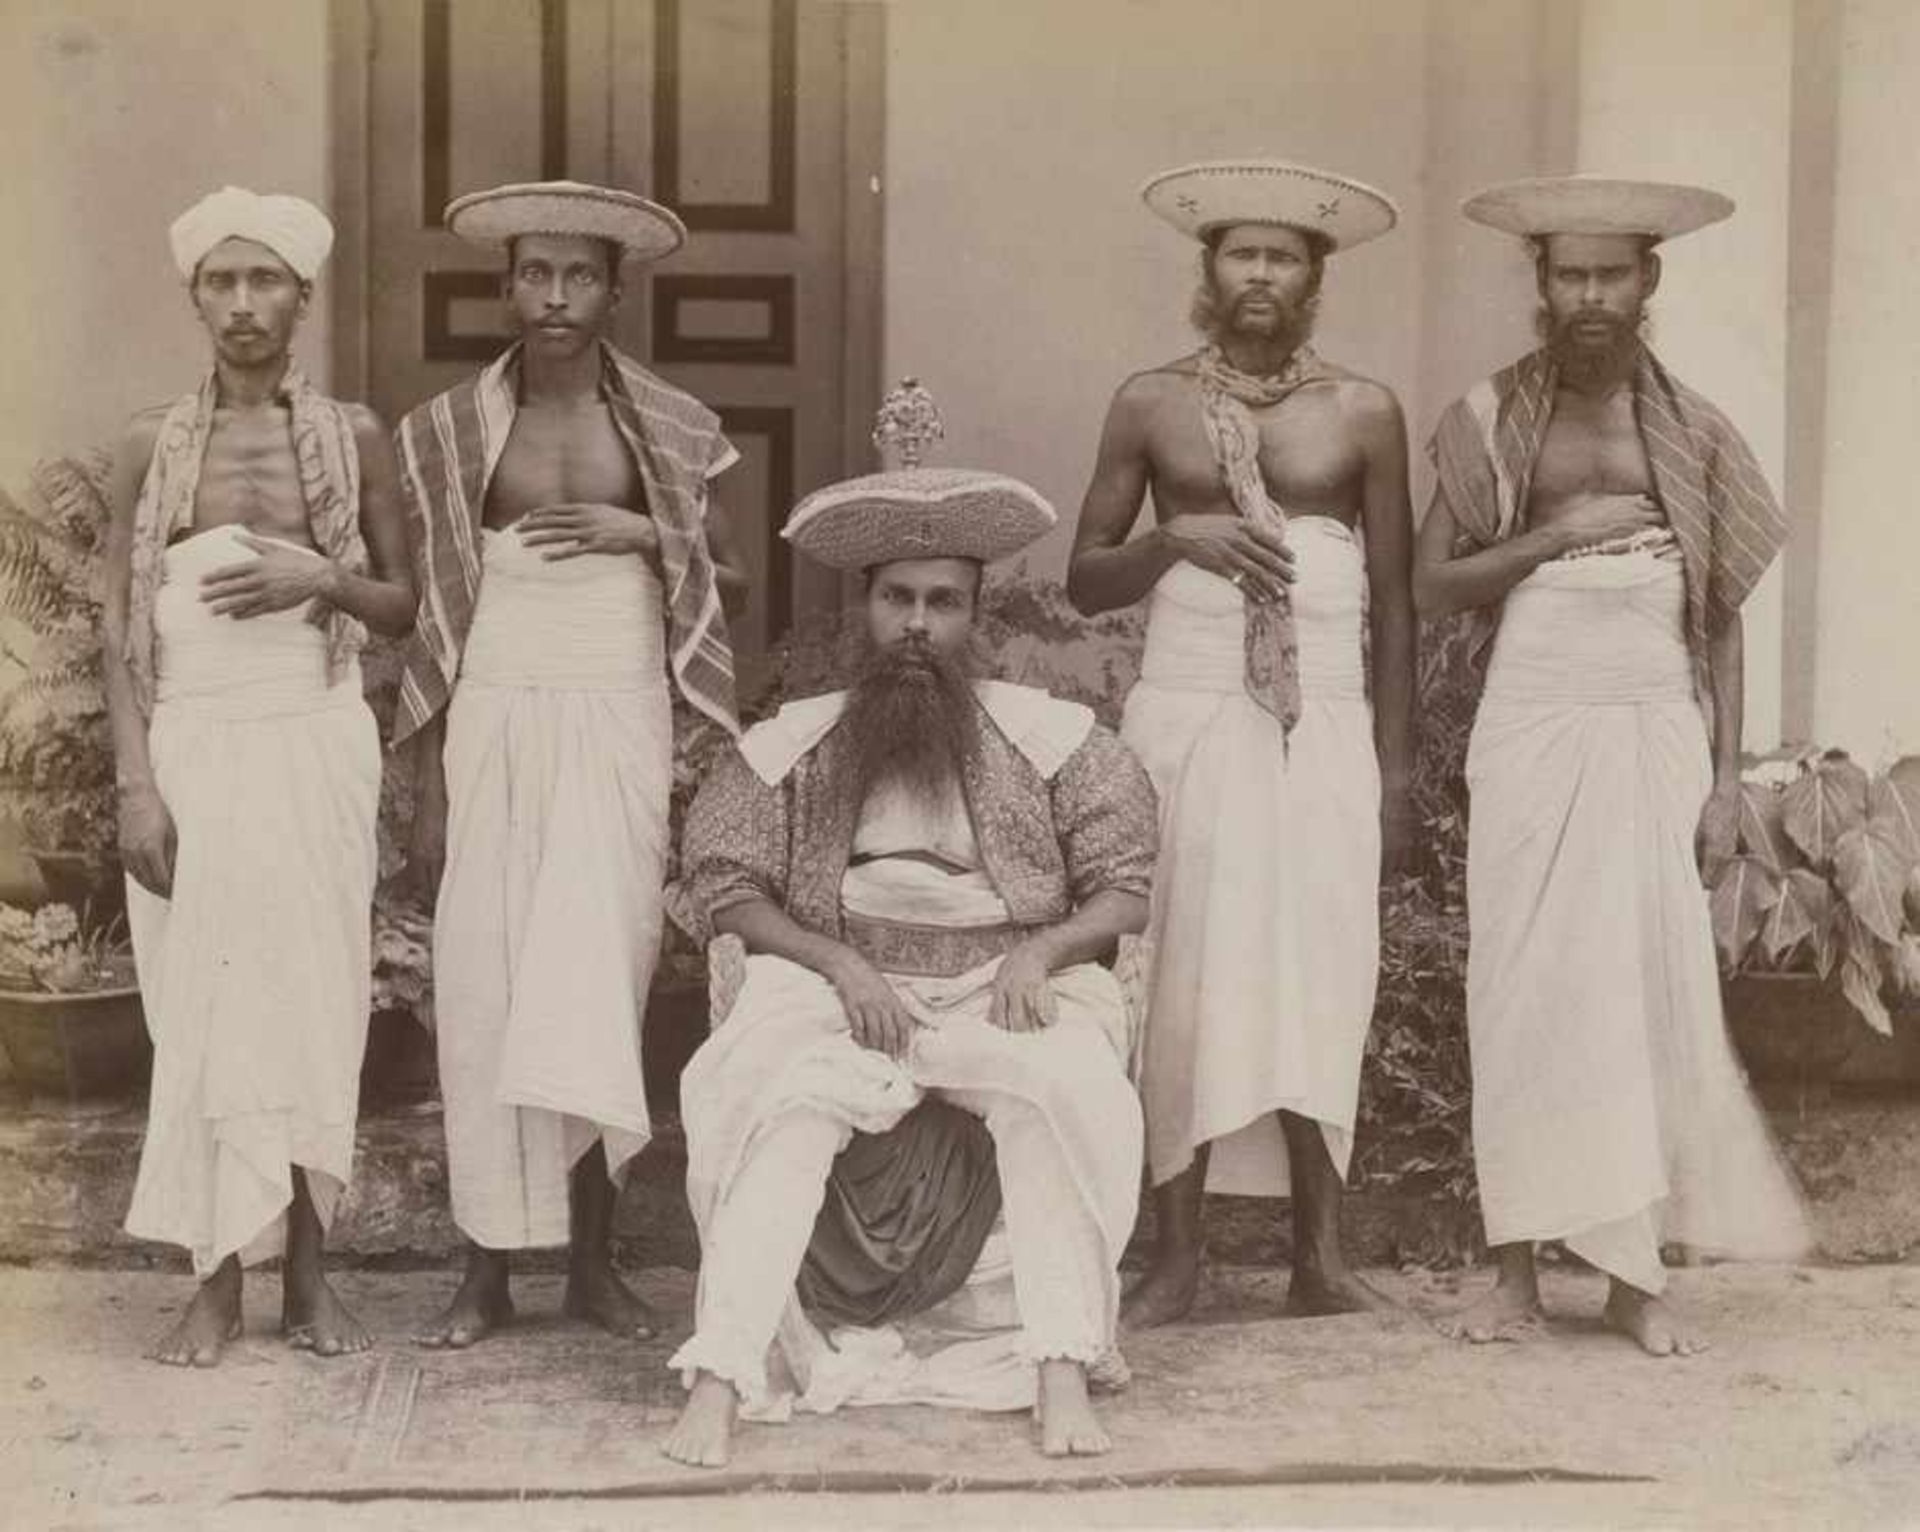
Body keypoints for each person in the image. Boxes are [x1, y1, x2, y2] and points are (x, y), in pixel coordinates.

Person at [661, 394, 1156, 1466]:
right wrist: (837, 960)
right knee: (782, 1097)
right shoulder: (794, 740)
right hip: (841, 975)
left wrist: (1042, 950)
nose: (919, 625)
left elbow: (1124, 887)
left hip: (1008, 972)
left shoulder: (1059, 740)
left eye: (944, 601)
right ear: (866, 607)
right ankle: (721, 1371)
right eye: (898, 600)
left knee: (1057, 1087)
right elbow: (725, 885)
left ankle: (1060, 1364)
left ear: (978, 613)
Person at [1416, 175, 1810, 1355]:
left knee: (1647, 985)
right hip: (1532, 720)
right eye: (1567, 274)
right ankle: (1515, 1277)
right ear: (1539, 284)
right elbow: (1433, 582)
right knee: (1524, 986)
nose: (1588, 295)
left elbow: (1724, 615)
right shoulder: (1492, 418)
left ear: (1649, 281)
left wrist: (1727, 777)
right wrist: (1549, 538)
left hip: (1652, 720)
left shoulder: (1692, 429)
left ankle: (1638, 1280)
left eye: (1610, 273)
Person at [391, 181, 749, 1349]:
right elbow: (434, 612)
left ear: (613, 288)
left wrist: (644, 531)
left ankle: (592, 1263)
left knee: (597, 976)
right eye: (535, 273)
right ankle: (486, 1268)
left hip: (615, 707)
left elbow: (728, 578)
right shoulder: (448, 430)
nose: (554, 296)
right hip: (495, 703)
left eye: (578, 275)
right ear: (508, 284)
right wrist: (433, 777)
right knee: (486, 984)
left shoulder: (672, 424)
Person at [1067, 160, 1415, 1326]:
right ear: (1207, 269)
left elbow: (1401, 605)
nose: (1259, 275)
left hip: (1323, 722)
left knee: (1321, 963)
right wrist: (1181, 541)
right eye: (1239, 254)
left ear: (1316, 276)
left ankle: (1319, 1256)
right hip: (1189, 708)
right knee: (1179, 964)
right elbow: (1082, 579)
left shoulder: (1364, 409)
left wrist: (1402, 767)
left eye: (1283, 257)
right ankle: (1175, 1257)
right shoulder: (1151, 404)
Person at [102, 186, 416, 1366]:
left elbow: (402, 606)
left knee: (310, 1002)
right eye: (222, 282)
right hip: (193, 745)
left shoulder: (355, 437)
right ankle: (218, 1280)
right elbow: (116, 617)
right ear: (196, 296)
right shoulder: (150, 440)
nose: (243, 303)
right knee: (197, 1005)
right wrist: (136, 779)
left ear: (303, 296)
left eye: (265, 280)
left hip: (314, 735)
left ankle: (311, 1280)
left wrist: (319, 582)